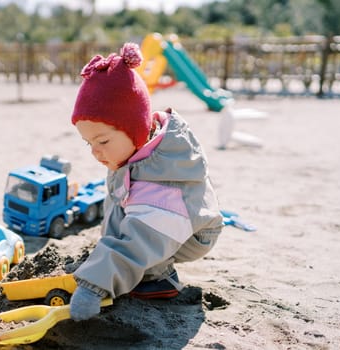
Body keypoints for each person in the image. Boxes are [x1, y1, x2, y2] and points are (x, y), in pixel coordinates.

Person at [68, 42, 224, 321]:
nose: (95, 151)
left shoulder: (163, 185)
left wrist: (94, 285)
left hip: (190, 230)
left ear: (136, 129)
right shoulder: (132, 150)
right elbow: (120, 207)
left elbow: (142, 237)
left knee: (144, 239)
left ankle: (159, 278)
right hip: (158, 217)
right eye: (88, 143)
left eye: (102, 140)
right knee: (119, 207)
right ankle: (115, 265)